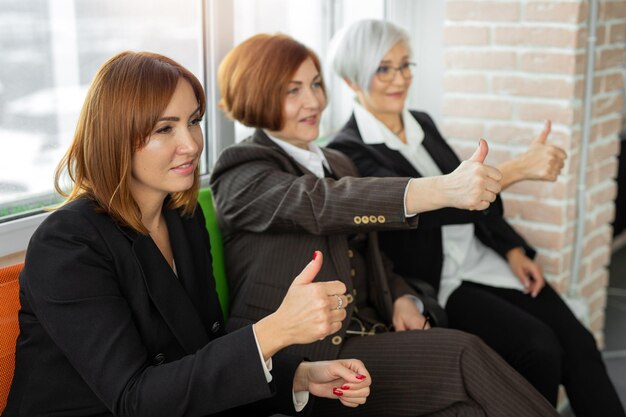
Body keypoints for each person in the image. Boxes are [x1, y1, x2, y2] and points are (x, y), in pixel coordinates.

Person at [3, 51, 373, 417]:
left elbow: (201, 353)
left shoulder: (183, 216)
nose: (193, 144)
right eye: (165, 128)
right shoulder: (68, 243)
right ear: (114, 135)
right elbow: (135, 399)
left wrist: (300, 377)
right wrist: (277, 329)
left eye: (193, 121)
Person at [210, 33, 561, 417]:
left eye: (314, 84)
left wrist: (401, 298)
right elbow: (324, 203)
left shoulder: (337, 162)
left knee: (468, 410)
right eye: (292, 91)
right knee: (462, 351)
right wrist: (443, 188)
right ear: (255, 94)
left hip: (365, 335)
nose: (313, 101)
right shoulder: (240, 168)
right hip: (300, 360)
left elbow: (368, 253)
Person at [326, 18, 625, 417]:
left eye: (405, 64)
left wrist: (513, 248)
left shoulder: (422, 123)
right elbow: (437, 206)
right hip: (441, 279)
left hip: (483, 258)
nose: (400, 78)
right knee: (539, 347)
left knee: (579, 340)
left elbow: (476, 203)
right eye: (384, 68)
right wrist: (518, 169)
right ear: (352, 80)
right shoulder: (350, 152)